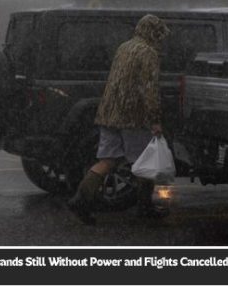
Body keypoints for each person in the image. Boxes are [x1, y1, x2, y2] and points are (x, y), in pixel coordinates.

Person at [67, 14, 170, 225]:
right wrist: (155, 119)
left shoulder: (124, 47)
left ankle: (81, 199)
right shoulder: (148, 53)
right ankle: (145, 208)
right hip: (132, 115)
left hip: (109, 112)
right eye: (159, 35)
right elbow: (149, 89)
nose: (161, 39)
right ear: (154, 33)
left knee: (107, 160)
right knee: (145, 162)